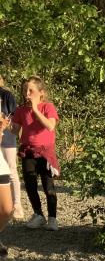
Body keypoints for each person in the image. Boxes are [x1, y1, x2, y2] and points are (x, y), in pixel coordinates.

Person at [10, 76, 59, 230]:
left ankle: (52, 218)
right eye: (25, 90)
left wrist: (35, 109)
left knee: (48, 186)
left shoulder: (48, 107)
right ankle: (38, 215)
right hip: (28, 152)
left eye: (31, 90)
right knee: (30, 185)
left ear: (41, 92)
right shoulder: (20, 110)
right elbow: (15, 130)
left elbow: (50, 126)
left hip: (45, 153)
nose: (27, 93)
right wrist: (5, 125)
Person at [0, 76, 22, 220]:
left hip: (7, 136)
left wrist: (4, 121)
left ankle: (17, 205)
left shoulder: (6, 95)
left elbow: (15, 116)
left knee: (11, 169)